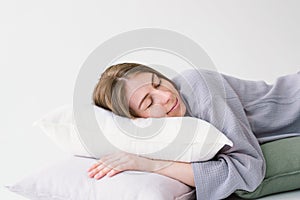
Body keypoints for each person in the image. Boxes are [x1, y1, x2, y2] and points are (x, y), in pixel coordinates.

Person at [88, 62, 300, 199]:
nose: (166, 96)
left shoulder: (198, 87)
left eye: (158, 84)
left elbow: (248, 170)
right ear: (137, 121)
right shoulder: (173, 133)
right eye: (149, 101)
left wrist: (152, 165)